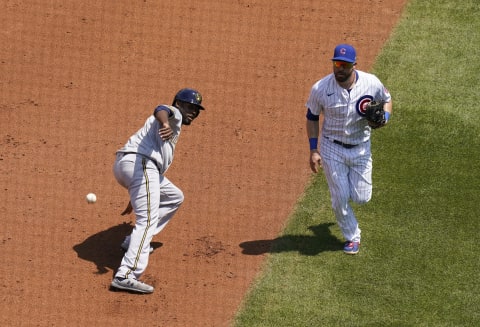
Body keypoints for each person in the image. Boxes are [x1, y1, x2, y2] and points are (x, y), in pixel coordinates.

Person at [110, 88, 205, 293]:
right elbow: (161, 109)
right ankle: (126, 274)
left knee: (174, 196)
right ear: (179, 103)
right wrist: (164, 122)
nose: (193, 112)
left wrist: (137, 190)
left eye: (196, 110)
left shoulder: (172, 122)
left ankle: (132, 244)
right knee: (147, 220)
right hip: (141, 165)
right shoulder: (174, 114)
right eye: (190, 106)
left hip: (131, 166)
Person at [305, 44, 392, 255]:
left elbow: (387, 100)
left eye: (344, 65)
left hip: (361, 147)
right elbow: (312, 117)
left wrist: (385, 117)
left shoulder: (371, 83)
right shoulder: (321, 89)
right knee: (340, 197)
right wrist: (313, 150)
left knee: (362, 198)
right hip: (331, 148)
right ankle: (353, 236)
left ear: (354, 65)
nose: (339, 69)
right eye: (336, 64)